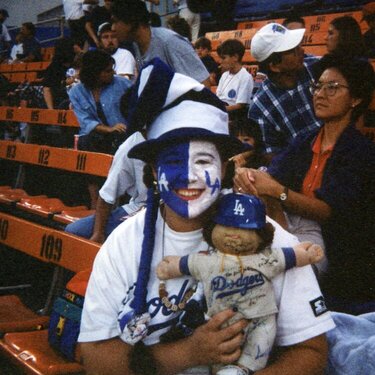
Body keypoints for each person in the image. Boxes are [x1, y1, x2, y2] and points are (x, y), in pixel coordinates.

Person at [78, 58, 334, 375]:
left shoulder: (267, 235)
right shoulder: (123, 245)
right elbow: (99, 360)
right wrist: (188, 352)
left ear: (225, 167)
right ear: (154, 171)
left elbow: (311, 351)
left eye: (203, 160)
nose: (189, 177)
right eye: (172, 161)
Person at [235, 54, 375, 315]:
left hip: (338, 252)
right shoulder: (307, 140)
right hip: (297, 233)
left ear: (355, 99)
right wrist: (249, 175)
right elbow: (273, 175)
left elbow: (329, 212)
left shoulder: (360, 152)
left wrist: (278, 192)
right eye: (318, 86)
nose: (320, 94)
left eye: (332, 87)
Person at [157, 192, 324, 374]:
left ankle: (243, 369)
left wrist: (305, 254)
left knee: (260, 342)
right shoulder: (207, 261)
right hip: (217, 323)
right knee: (212, 349)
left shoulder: (267, 256)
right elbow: (186, 264)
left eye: (245, 228)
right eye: (228, 226)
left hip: (261, 319)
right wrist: (171, 267)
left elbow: (288, 257)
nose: (235, 235)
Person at [248, 23, 321, 160]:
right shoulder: (260, 108)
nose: (302, 51)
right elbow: (273, 156)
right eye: (293, 50)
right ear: (274, 66)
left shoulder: (317, 67)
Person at [69, 50, 131, 208]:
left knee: (122, 143)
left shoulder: (122, 84)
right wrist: (109, 129)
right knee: (86, 141)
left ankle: (115, 200)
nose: (113, 73)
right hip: (97, 136)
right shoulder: (76, 92)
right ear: (94, 73)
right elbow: (86, 122)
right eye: (108, 70)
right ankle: (95, 201)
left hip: (123, 135)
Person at [65, 131, 147, 243]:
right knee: (75, 231)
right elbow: (108, 194)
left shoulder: (176, 137)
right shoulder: (134, 142)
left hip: (168, 209)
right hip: (142, 207)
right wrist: (98, 233)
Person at [111, 0, 210, 87]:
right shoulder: (136, 45)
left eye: (115, 22)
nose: (113, 28)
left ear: (131, 22)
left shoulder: (170, 42)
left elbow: (202, 84)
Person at [216, 39, 254, 120]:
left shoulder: (245, 77)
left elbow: (240, 106)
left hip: (234, 116)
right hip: (221, 110)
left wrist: (219, 109)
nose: (220, 61)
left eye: (223, 58)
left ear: (235, 57)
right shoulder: (224, 75)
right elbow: (218, 97)